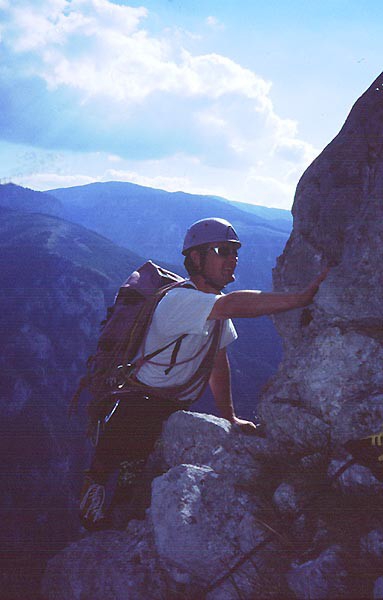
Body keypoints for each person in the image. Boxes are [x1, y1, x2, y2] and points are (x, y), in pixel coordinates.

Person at [80, 217, 327, 530]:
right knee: (110, 471)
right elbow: (234, 305)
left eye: (234, 251)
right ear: (196, 258)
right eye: (222, 251)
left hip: (165, 406)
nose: (232, 258)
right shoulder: (179, 302)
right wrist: (300, 298)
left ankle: (117, 516)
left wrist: (229, 417)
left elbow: (216, 360)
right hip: (137, 405)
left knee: (133, 480)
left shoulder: (211, 310)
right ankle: (95, 520)